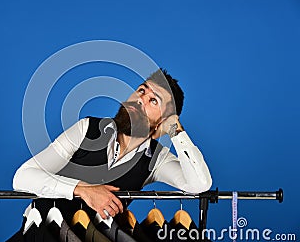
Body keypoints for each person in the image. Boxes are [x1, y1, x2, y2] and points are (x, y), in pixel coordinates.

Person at [13, 69, 212, 221]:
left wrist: (176, 131)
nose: (140, 99)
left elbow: (199, 185)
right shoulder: (87, 129)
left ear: (163, 121)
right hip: (41, 227)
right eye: (141, 90)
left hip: (95, 235)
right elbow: (22, 177)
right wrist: (83, 190)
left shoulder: (156, 159)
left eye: (153, 100)